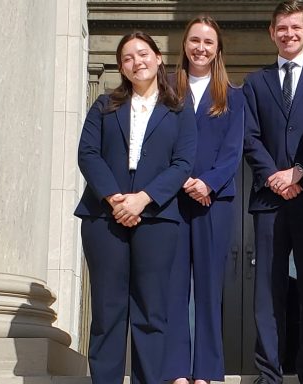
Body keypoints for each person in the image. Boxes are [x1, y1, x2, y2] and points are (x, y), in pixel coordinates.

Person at [74, 31, 197, 384]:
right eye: (127, 58)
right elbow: (88, 154)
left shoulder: (178, 110)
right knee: (108, 312)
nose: (136, 62)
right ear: (121, 67)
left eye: (142, 54)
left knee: (151, 312)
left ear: (158, 58)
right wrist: (114, 198)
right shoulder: (104, 105)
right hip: (104, 218)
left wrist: (143, 198)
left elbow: (183, 163)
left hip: (157, 218)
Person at [243, 2, 303, 384]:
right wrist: (274, 176)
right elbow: (249, 137)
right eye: (281, 28)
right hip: (269, 200)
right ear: (272, 33)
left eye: (295, 28)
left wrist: (299, 172)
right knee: (268, 292)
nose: (288, 34)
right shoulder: (254, 82)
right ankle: (268, 372)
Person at [163, 16, 244, 384]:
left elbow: (233, 151)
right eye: (194, 40)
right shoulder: (166, 91)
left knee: (210, 289)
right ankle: (177, 370)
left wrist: (208, 183)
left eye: (208, 42)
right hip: (172, 201)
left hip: (215, 202)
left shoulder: (233, 95)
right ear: (184, 45)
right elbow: (159, 146)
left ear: (217, 50)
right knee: (174, 287)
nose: (200, 48)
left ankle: (207, 372)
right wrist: (180, 181)